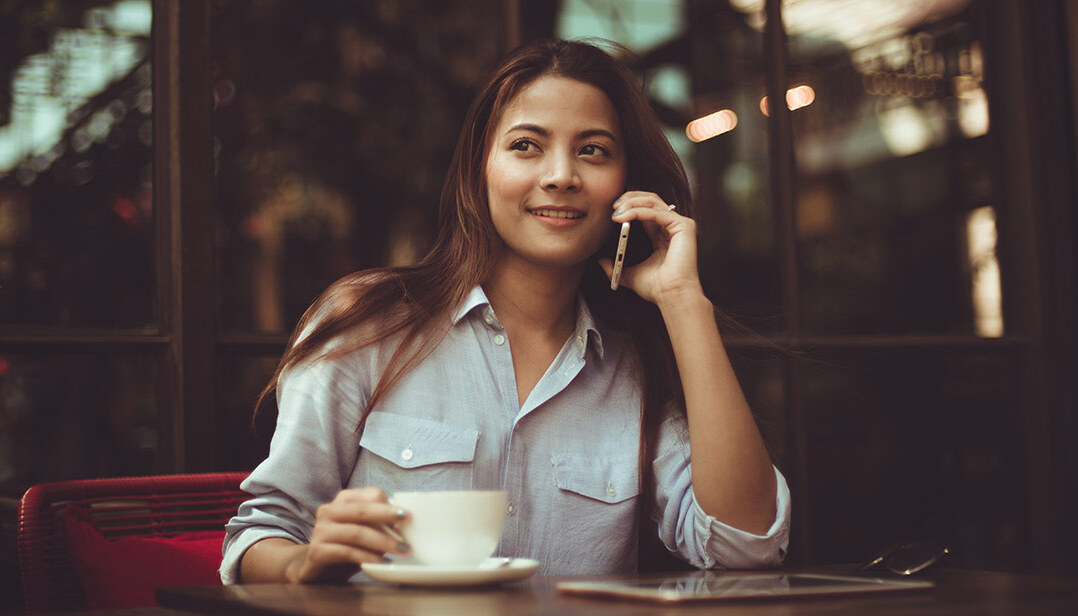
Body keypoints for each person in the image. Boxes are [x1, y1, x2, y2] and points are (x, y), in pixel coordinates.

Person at [220, 38, 790, 585]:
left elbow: (747, 545)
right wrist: (304, 564)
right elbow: (260, 535)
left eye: (592, 150)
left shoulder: (637, 370)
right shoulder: (369, 326)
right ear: (480, 169)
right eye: (526, 145)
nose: (562, 175)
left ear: (625, 185)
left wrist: (684, 302)